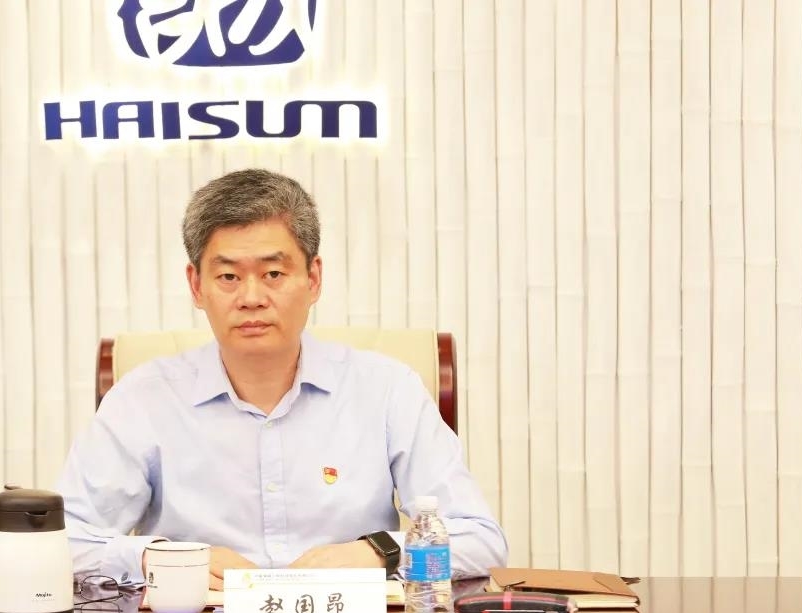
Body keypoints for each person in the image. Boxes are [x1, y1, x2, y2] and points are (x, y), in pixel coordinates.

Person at [56, 168, 507, 590]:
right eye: (228, 276)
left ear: (313, 279)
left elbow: (481, 541)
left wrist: (381, 554)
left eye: (273, 273)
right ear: (196, 286)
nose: (251, 297)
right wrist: (154, 558)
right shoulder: (143, 399)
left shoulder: (387, 390)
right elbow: (64, 544)